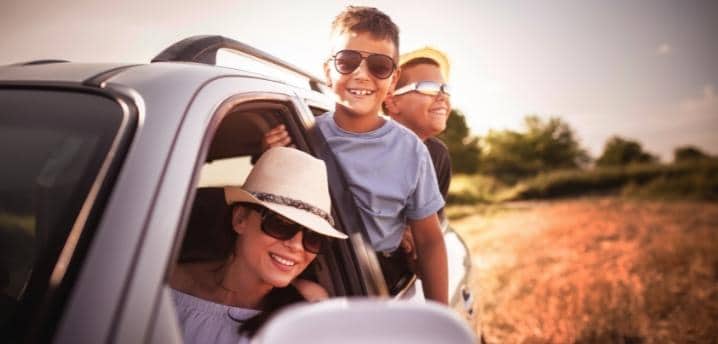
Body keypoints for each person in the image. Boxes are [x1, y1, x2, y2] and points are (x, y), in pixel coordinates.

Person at [264, 6, 448, 304]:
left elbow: (429, 240)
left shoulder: (411, 150)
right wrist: (270, 155)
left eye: (379, 66)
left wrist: (440, 317)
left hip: (376, 277)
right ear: (328, 71)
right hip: (308, 267)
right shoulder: (300, 136)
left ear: (393, 78)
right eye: (347, 62)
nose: (362, 75)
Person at [170, 147, 348, 344]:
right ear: (240, 219)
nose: (297, 246)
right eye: (280, 225)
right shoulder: (168, 285)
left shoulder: (309, 305)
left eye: (313, 237)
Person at [382, 48, 453, 266]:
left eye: (445, 88)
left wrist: (417, 239)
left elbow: (429, 237)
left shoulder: (438, 155)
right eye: (429, 88)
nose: (442, 96)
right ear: (392, 102)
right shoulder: (365, 150)